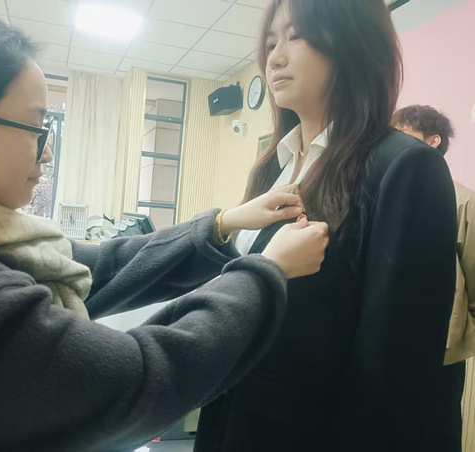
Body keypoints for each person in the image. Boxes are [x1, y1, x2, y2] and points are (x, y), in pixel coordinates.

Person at [0, 2, 331, 451]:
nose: (46, 153)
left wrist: (222, 224)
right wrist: (265, 272)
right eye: (35, 128)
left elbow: (101, 266)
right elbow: (137, 378)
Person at [194, 1, 458, 451]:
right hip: (233, 416)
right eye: (270, 42)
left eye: (295, 36)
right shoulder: (270, 168)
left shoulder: (405, 167)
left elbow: (394, 371)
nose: (275, 58)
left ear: (352, 42)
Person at [393, 104, 475, 449]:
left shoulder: (463, 201)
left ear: (433, 140)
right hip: (388, 343)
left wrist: (459, 333)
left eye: (403, 134)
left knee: (436, 432)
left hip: (441, 350)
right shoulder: (386, 192)